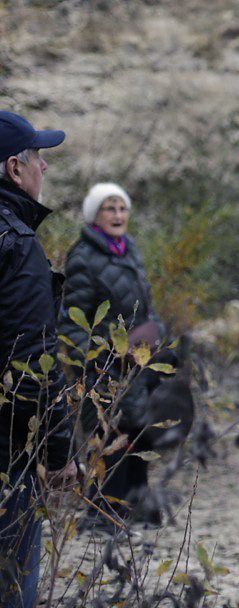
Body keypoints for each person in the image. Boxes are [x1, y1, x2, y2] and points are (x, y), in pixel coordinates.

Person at [0, 111, 79, 607]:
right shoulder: (16, 244)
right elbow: (32, 364)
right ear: (13, 168)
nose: (43, 169)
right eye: (38, 158)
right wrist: (58, 452)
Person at [58, 182, 167, 531]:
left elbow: (146, 305)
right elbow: (72, 324)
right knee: (108, 441)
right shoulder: (83, 257)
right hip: (105, 369)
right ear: (95, 215)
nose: (118, 215)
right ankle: (101, 518)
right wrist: (107, 354)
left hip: (140, 365)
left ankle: (138, 510)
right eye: (110, 208)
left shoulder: (129, 249)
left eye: (122, 208)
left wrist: (158, 336)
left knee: (141, 435)